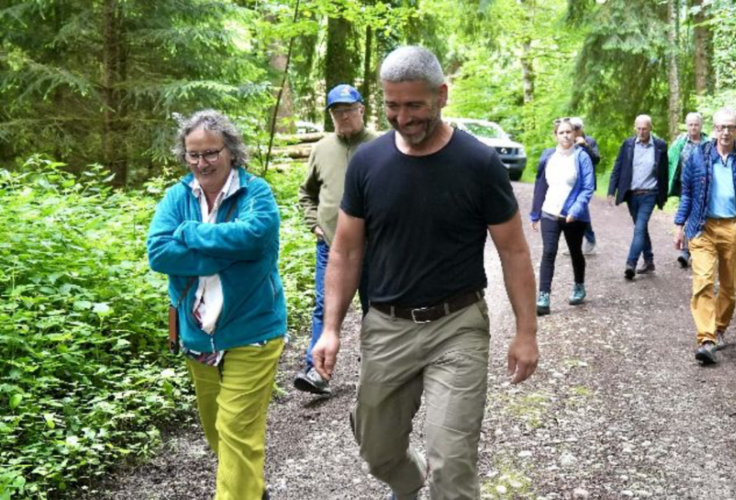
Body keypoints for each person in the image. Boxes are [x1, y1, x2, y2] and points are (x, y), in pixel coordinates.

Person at [309, 46, 539, 500]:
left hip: (458, 326)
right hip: (387, 326)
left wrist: (526, 332)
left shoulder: (479, 164)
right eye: (392, 105)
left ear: (442, 95)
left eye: (414, 105)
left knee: (452, 460)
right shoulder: (368, 163)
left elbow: (513, 251)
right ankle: (409, 481)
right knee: (377, 451)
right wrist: (330, 329)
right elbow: (346, 252)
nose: (403, 117)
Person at [147, 110, 286, 500]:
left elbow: (255, 236)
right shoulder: (178, 196)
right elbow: (158, 252)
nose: (201, 163)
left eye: (210, 153)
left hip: (252, 331)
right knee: (216, 431)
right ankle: (251, 491)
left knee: (236, 430)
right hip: (198, 336)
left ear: (230, 151)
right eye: (193, 155)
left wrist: (191, 233)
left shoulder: (255, 193)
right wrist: (225, 253)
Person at [294, 84, 378, 395]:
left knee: (377, 307)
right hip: (331, 245)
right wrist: (313, 222)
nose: (343, 116)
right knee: (324, 307)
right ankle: (317, 371)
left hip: (375, 247)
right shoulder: (321, 148)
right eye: (336, 112)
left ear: (362, 110)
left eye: (348, 110)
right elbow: (307, 193)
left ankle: (375, 370)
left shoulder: (382, 146)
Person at [673, 108, 736, 365]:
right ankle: (707, 339)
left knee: (728, 284)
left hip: (733, 227)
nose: (726, 132)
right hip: (702, 226)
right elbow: (688, 194)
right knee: (703, 280)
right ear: (714, 129)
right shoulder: (697, 155)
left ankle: (720, 327)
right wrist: (680, 224)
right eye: (722, 127)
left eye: (731, 127)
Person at [531, 118, 596, 314]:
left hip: (573, 215)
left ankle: (579, 285)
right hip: (550, 211)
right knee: (548, 252)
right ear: (555, 135)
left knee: (575, 251)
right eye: (561, 132)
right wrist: (535, 213)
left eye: (569, 132)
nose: (566, 135)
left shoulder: (581, 156)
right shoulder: (548, 156)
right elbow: (541, 185)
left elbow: (588, 187)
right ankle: (544, 296)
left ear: (575, 134)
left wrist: (575, 211)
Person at [607, 114, 670, 280]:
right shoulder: (628, 145)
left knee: (640, 228)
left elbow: (664, 173)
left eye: (645, 128)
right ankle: (649, 261)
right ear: (635, 128)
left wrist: (663, 195)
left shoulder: (660, 146)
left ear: (650, 128)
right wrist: (611, 190)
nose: (642, 132)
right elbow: (618, 167)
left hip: (650, 194)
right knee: (641, 229)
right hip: (632, 195)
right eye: (639, 128)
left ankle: (631, 264)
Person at [668, 112, 708, 269]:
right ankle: (687, 250)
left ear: (700, 126)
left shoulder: (708, 143)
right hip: (684, 185)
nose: (693, 127)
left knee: (696, 216)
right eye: (690, 124)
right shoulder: (680, 142)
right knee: (685, 214)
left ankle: (688, 250)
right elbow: (670, 162)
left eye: (696, 124)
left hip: (703, 186)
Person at [570, 117, 601, 255]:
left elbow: (596, 159)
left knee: (580, 210)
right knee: (571, 211)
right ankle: (576, 242)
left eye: (577, 128)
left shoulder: (590, 141)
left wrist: (584, 145)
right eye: (573, 128)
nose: (575, 131)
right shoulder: (567, 140)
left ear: (581, 128)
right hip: (570, 182)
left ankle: (590, 239)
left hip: (586, 183)